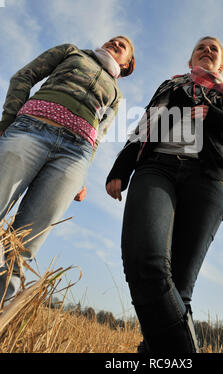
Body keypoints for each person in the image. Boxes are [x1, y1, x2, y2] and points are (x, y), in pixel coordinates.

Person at [105, 36, 223, 353]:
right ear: (190, 60)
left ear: (221, 64)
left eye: (214, 48)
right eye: (201, 47)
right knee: (146, 262)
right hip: (158, 168)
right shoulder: (171, 87)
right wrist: (121, 166)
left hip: (208, 182)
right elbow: (144, 125)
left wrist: (218, 117)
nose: (207, 50)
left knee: (180, 292)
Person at [0, 35, 135, 303]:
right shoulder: (71, 53)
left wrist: (82, 176)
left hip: (75, 155)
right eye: (113, 40)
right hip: (32, 128)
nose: (116, 44)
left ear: (128, 64)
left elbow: (98, 136)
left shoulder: (117, 96)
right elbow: (23, 76)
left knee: (25, 245)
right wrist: (7, 124)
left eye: (124, 46)